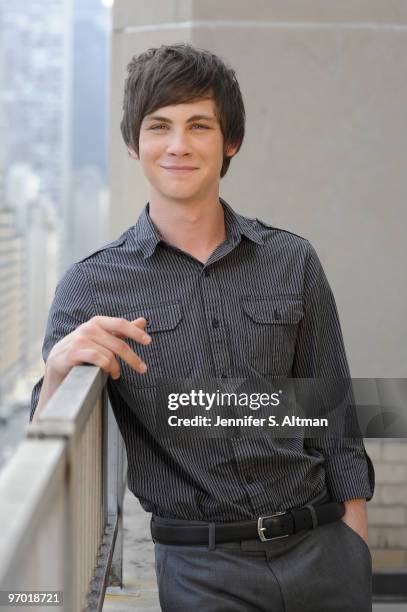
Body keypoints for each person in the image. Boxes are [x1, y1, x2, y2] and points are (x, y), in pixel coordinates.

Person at [29, 44, 375, 611]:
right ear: (134, 143)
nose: (178, 144)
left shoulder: (293, 260)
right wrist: (58, 367)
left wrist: (354, 554)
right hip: (201, 570)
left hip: (322, 552)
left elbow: (334, 419)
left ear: (229, 141)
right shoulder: (89, 288)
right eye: (159, 126)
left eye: (199, 125)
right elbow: (49, 455)